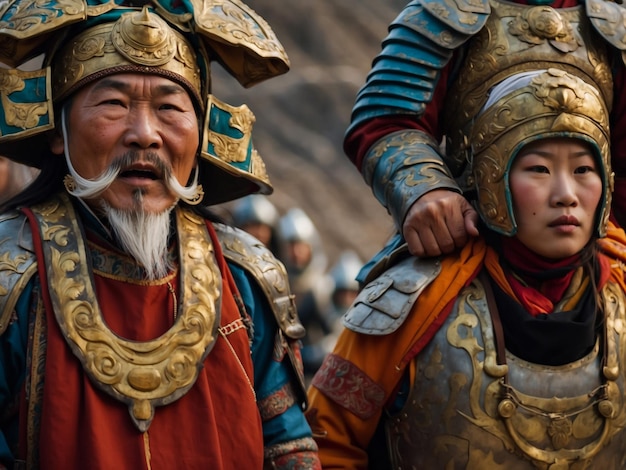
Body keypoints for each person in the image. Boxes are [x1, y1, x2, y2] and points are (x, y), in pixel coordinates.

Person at [0, 1, 321, 469]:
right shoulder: (10, 273)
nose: (145, 135)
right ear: (58, 129)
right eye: (114, 103)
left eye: (170, 107)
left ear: (201, 133)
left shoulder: (247, 275)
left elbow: (287, 446)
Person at [306, 69, 626, 468]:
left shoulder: (621, 290)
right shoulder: (409, 302)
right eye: (539, 170)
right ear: (493, 181)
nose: (566, 195)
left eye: (583, 170)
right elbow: (324, 445)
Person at [344, 0, 626, 272]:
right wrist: (426, 190)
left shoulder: (616, 25)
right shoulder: (442, 12)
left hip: (594, 254)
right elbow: (387, 118)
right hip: (474, 243)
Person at [276, 208, 334, 380]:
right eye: (290, 246)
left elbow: (335, 335)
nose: (295, 252)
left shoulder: (320, 288)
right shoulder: (276, 283)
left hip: (308, 375)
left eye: (300, 246)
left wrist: (303, 355)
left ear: (311, 247)